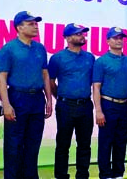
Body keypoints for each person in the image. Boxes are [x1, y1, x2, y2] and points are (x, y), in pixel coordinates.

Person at [0, 11, 53, 179]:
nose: (35, 26)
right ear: (19, 27)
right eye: (31, 23)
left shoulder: (40, 48)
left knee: (33, 143)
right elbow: (2, 77)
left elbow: (45, 74)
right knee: (14, 144)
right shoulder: (9, 48)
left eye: (36, 23)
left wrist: (49, 99)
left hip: (37, 99)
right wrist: (6, 104)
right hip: (17, 97)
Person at [48, 23, 95, 179]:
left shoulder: (90, 57)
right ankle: (61, 176)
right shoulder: (57, 58)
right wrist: (61, 97)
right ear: (67, 38)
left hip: (85, 105)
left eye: (83, 33)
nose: (82, 36)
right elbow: (50, 82)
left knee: (84, 145)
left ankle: (82, 175)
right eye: (78, 34)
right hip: (65, 106)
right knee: (63, 144)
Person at [93, 27, 127, 179]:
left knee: (121, 141)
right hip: (108, 104)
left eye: (121, 38)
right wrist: (98, 110)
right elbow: (96, 87)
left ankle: (118, 174)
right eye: (115, 38)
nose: (119, 40)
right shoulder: (101, 61)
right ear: (108, 41)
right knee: (106, 141)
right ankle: (105, 174)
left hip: (124, 106)